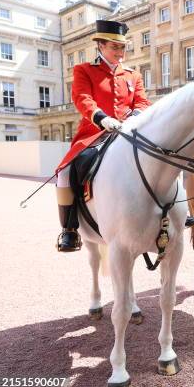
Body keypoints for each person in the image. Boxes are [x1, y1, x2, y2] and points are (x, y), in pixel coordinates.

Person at [55, 20, 150, 252]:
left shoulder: (133, 75)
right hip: (94, 133)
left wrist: (133, 118)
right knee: (66, 172)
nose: (120, 52)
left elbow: (143, 101)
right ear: (100, 46)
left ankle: (175, 210)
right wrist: (101, 118)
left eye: (122, 47)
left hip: (129, 132)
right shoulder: (84, 70)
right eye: (114, 47)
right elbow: (82, 98)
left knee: (164, 154)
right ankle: (69, 230)